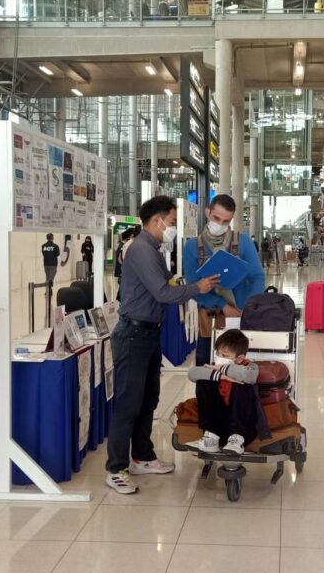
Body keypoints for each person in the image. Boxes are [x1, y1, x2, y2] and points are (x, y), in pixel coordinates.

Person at [106, 195, 220, 495]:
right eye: (171, 222)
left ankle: (142, 457)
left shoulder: (154, 250)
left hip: (148, 334)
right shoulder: (141, 249)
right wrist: (196, 288)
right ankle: (116, 469)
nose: (172, 228)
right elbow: (162, 293)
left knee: (148, 400)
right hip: (133, 335)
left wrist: (192, 281)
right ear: (157, 221)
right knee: (128, 404)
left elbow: (168, 282)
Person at [183, 194, 265, 366]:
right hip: (210, 319)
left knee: (241, 370)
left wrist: (246, 307)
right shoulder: (192, 247)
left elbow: (257, 277)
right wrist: (222, 305)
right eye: (216, 218)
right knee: (207, 369)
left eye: (225, 221)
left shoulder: (243, 242)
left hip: (242, 318)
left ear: (231, 219)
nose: (220, 224)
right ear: (208, 212)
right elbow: (193, 288)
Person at [185, 329, 260, 454]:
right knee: (204, 381)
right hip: (220, 425)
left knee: (241, 383)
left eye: (224, 356)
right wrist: (221, 376)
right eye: (218, 353)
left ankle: (237, 439)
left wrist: (222, 369)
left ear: (240, 358)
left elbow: (247, 376)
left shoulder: (250, 367)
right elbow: (192, 373)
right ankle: (210, 438)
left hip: (244, 428)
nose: (219, 358)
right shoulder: (213, 367)